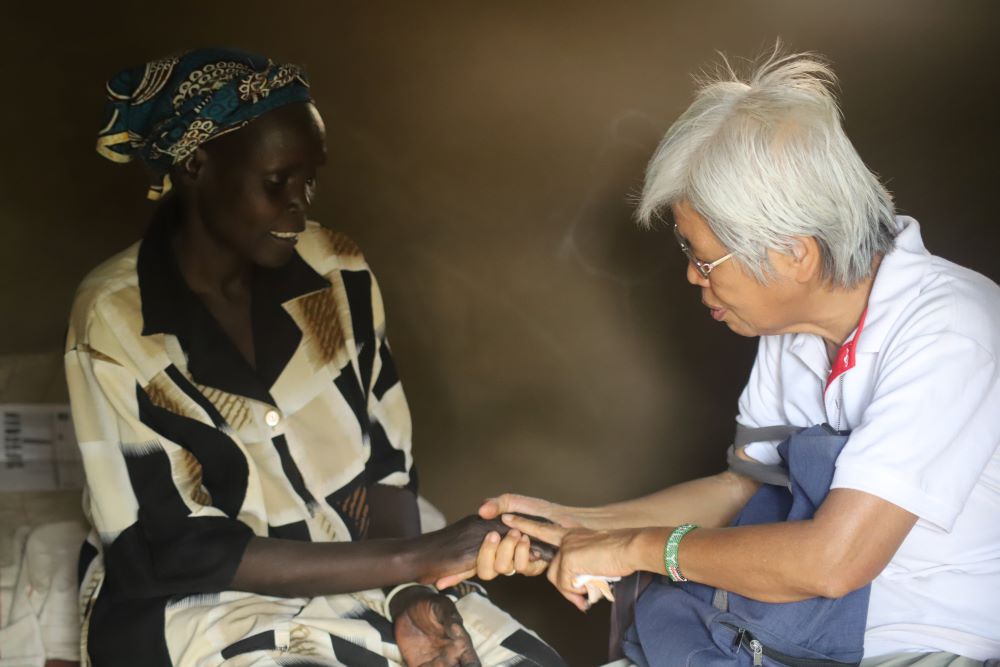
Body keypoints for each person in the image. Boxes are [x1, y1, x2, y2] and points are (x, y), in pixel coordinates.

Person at [441, 48, 1000, 666]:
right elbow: (749, 488)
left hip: (917, 645)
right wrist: (581, 524)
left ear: (794, 255)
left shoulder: (952, 330)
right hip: (781, 631)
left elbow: (835, 561)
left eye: (703, 259)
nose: (690, 276)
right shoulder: (795, 326)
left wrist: (632, 548)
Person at [66, 48, 565, 667]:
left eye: (310, 180)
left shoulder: (338, 272)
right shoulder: (114, 318)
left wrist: (408, 592)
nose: (300, 205)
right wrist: (418, 557)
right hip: (201, 598)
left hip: (367, 559)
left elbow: (385, 463)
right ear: (195, 166)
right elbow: (174, 547)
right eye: (278, 183)